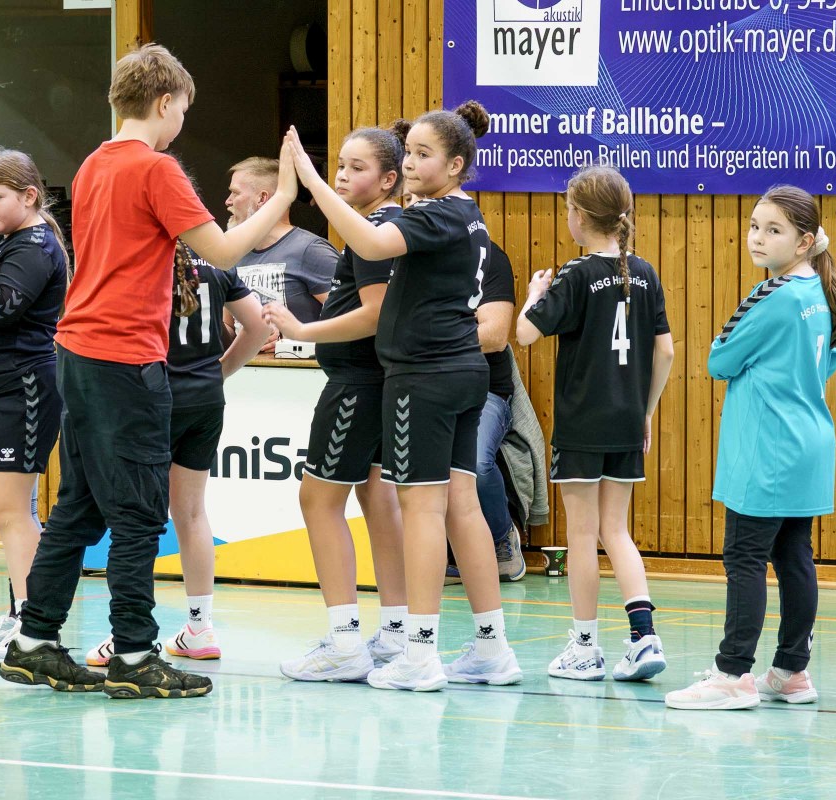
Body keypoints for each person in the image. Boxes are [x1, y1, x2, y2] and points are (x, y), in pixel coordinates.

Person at [0, 43, 298, 698]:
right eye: (182, 109)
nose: (182, 122)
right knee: (137, 514)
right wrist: (282, 197)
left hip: (77, 351)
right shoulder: (155, 168)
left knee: (79, 506)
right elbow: (222, 250)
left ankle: (33, 640)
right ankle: (135, 654)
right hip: (124, 357)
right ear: (165, 103)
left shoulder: (92, 164)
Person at [282, 101, 521, 692]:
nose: (411, 164)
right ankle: (491, 647)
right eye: (408, 152)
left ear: (456, 164)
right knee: (459, 506)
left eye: (422, 155)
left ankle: (417, 653)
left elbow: (368, 241)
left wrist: (309, 181)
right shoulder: (465, 213)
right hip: (461, 372)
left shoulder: (435, 214)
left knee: (422, 510)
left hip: (424, 376)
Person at [665, 185, 836, 710]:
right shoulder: (819, 290)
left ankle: (732, 675)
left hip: (768, 448)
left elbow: (719, 360)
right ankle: (791, 671)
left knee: (744, 557)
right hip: (809, 444)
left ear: (804, 240)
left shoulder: (778, 296)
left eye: (773, 230)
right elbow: (830, 360)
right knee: (793, 556)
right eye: (754, 226)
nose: (758, 238)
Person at [516, 164, 674, 682]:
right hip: (628, 421)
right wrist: (645, 412)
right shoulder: (645, 272)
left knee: (583, 535)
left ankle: (585, 648)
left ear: (580, 217)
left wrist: (536, 294)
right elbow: (666, 352)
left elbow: (524, 333)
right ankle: (644, 636)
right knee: (616, 530)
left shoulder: (576, 273)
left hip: (583, 424)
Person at [262, 126, 409, 681]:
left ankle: (345, 642)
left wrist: (304, 329)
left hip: (356, 385)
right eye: (339, 166)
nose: (343, 176)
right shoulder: (387, 226)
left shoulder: (373, 231)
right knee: (378, 498)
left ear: (389, 179)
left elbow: (375, 313)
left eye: (356, 168)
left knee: (318, 501)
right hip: (379, 382)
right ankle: (394, 633)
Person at [85, 240, 270, 667]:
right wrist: (217, 373)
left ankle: (127, 634)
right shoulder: (218, 261)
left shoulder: (142, 258)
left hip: (155, 400)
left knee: (136, 519)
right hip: (205, 401)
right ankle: (200, 627)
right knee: (191, 512)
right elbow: (259, 327)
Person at [0, 147, 69, 664]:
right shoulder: (14, 242)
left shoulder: (34, 246)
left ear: (29, 196)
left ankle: (31, 624)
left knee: (12, 512)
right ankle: (19, 615)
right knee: (14, 511)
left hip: (21, 389)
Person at [225, 157, 338, 349]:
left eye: (235, 193)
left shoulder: (311, 250)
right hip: (244, 366)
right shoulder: (232, 254)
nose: (228, 201)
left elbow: (350, 319)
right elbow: (228, 327)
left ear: (262, 198)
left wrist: (290, 336)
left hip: (298, 366)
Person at [474, 242, 525, 582]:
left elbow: (493, 336)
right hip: (424, 386)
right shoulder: (405, 253)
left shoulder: (489, 257)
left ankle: (501, 536)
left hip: (487, 389)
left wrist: (429, 337)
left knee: (474, 464)